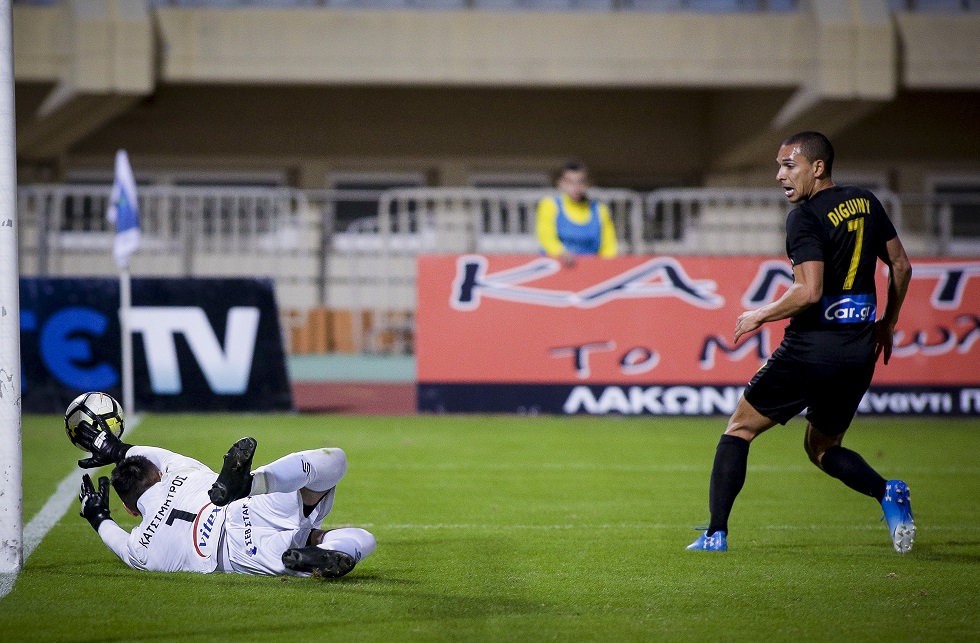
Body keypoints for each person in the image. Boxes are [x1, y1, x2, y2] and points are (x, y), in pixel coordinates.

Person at [686, 131, 915, 553]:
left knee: (738, 429)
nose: (780, 175)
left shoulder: (805, 217)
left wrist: (758, 314)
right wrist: (887, 322)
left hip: (812, 349)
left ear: (817, 167)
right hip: (859, 349)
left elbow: (808, 292)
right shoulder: (866, 201)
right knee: (823, 447)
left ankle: (715, 534)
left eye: (789, 166)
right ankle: (887, 492)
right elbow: (900, 266)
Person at [70, 400, 376, 577]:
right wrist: (113, 447)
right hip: (242, 505)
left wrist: (97, 516)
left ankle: (323, 555)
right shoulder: (180, 471)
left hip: (234, 552)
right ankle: (251, 484)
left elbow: (120, 546)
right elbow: (155, 454)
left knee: (361, 539)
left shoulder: (142, 546)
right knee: (333, 461)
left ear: (131, 509)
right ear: (160, 474)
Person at [535, 161, 618, 266]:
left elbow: (609, 245)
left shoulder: (599, 209)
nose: (576, 187)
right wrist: (561, 253)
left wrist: (607, 265)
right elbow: (546, 237)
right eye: (570, 182)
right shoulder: (550, 205)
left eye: (580, 182)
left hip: (591, 268)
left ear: (588, 183)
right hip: (559, 267)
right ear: (560, 183)